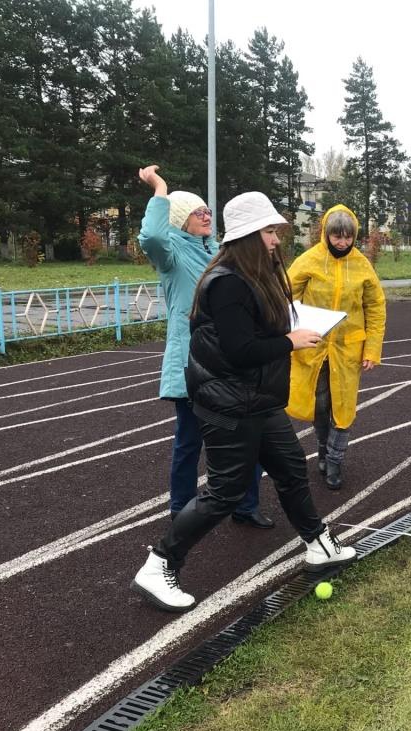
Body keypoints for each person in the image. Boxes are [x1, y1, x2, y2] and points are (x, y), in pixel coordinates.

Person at [131, 191, 357, 612]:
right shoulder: (228, 283)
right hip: (230, 403)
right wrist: (289, 340)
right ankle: (160, 563)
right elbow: (239, 350)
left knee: (290, 469)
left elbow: (254, 334)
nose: (276, 240)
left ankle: (319, 543)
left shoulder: (250, 277)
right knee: (224, 492)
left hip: (258, 399)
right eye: (270, 231)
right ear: (251, 235)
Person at [137, 165, 271, 529]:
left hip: (232, 361)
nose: (207, 215)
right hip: (192, 365)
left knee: (247, 437)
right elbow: (151, 237)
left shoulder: (218, 251)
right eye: (199, 212)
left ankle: (246, 506)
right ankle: (181, 511)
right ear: (181, 220)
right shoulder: (172, 256)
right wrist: (160, 187)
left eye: (208, 211)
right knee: (190, 443)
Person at [285, 205, 386, 490]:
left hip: (347, 349)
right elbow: (285, 296)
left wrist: (372, 349)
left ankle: (334, 461)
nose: (342, 243)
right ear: (326, 235)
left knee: (343, 406)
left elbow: (375, 307)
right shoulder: (310, 260)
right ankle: (322, 449)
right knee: (319, 405)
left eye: (347, 237)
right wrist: (291, 331)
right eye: (336, 237)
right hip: (313, 346)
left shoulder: (362, 265)